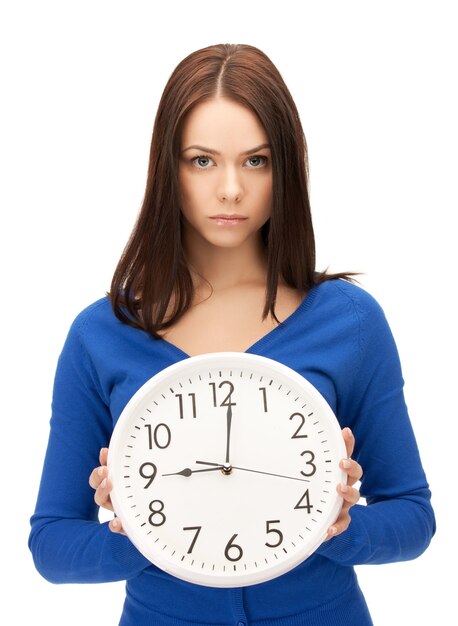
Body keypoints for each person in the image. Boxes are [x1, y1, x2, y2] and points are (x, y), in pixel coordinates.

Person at [29, 43, 435, 626]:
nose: (229, 190)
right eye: (201, 160)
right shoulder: (101, 335)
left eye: (255, 160)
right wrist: (139, 528)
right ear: (167, 168)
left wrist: (338, 526)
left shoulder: (351, 322)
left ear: (285, 169)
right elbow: (52, 545)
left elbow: (413, 518)